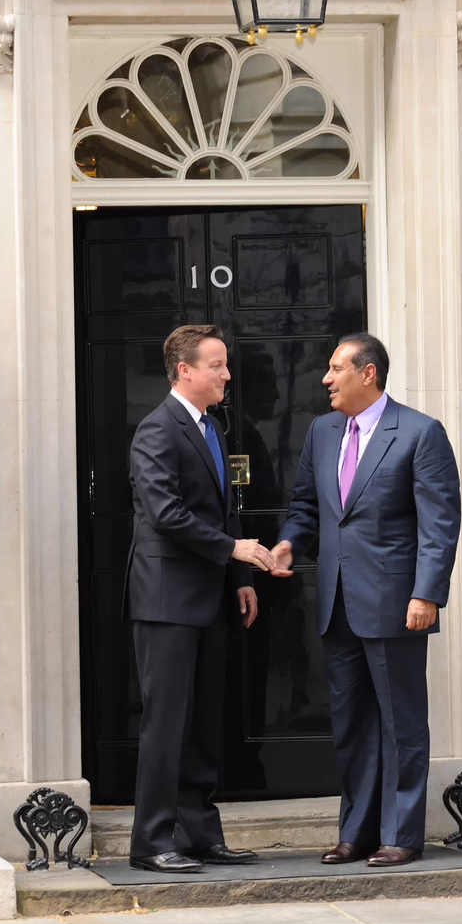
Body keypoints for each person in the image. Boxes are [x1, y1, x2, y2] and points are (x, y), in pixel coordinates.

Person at [270, 334, 461, 866]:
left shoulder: (420, 433)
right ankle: (356, 832)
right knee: (352, 725)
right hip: (337, 603)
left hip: (396, 603)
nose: (326, 379)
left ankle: (400, 834)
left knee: (401, 723)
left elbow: (439, 523)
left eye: (336, 369)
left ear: (368, 373)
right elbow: (307, 505)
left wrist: (427, 593)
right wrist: (290, 542)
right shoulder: (323, 431)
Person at [124, 325, 274, 873]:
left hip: (211, 597)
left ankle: (199, 834)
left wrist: (240, 577)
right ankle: (151, 842)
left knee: (205, 722)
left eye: (225, 364)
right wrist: (235, 549)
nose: (227, 374)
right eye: (217, 365)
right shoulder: (156, 430)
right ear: (184, 370)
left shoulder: (212, 427)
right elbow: (166, 514)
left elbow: (224, 509)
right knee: (167, 723)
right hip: (166, 600)